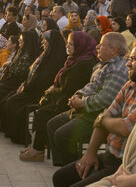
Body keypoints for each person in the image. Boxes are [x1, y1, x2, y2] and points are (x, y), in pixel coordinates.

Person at [53, 46, 136, 187]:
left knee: (64, 132)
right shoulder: (130, 85)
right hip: (110, 154)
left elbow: (124, 127)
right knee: (60, 177)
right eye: (129, 58)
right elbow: (105, 115)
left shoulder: (117, 70)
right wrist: (90, 153)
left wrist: (103, 119)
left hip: (124, 163)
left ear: (113, 49)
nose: (128, 63)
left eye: (133, 59)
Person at [47, 32, 128, 166]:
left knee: (62, 135)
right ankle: (64, 167)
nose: (97, 47)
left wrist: (81, 103)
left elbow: (105, 99)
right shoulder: (103, 65)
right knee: (52, 124)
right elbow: (91, 85)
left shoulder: (119, 69)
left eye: (102, 45)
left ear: (114, 50)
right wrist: (78, 95)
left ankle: (77, 168)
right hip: (86, 109)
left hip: (98, 115)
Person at [20, 31, 98, 162]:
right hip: (62, 97)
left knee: (42, 114)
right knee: (41, 108)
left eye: (71, 44)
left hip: (69, 101)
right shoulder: (75, 59)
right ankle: (37, 146)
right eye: (67, 43)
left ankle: (38, 150)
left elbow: (69, 89)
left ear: (80, 45)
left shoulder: (83, 64)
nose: (67, 46)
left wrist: (53, 90)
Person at [3, 30, 67, 145]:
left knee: (14, 102)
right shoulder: (45, 53)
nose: (42, 42)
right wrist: (24, 84)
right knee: (9, 98)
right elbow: (33, 72)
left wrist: (27, 87)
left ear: (51, 42)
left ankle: (20, 137)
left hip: (40, 91)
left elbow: (45, 78)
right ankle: (13, 133)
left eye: (45, 39)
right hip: (32, 87)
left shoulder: (56, 57)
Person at [0, 31, 41, 134]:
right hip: (10, 80)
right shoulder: (21, 51)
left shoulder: (30, 54)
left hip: (17, 83)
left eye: (22, 39)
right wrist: (11, 64)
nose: (19, 40)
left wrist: (10, 65)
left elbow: (20, 71)